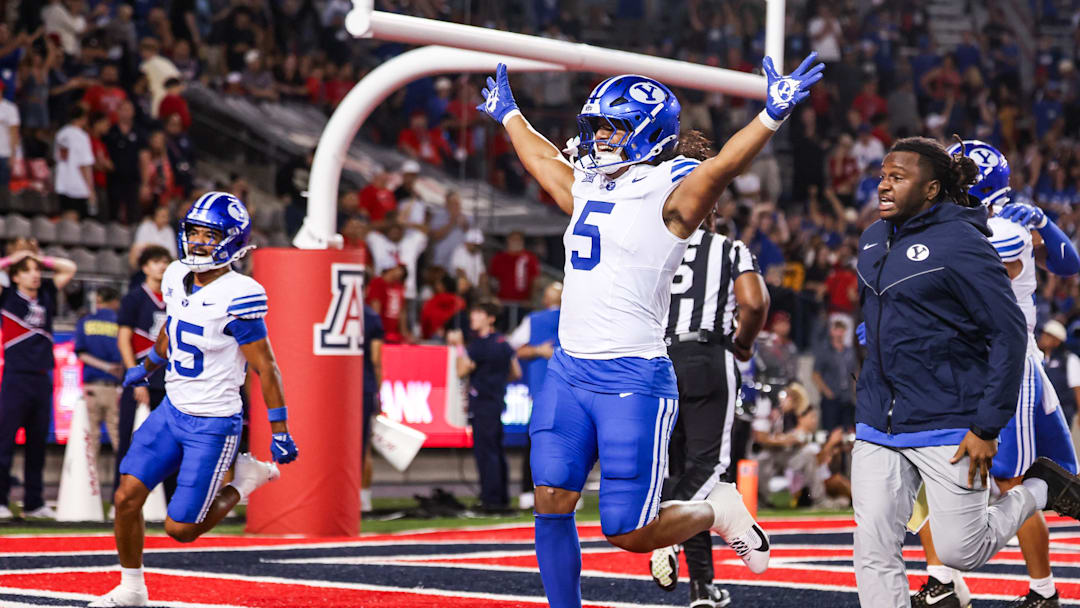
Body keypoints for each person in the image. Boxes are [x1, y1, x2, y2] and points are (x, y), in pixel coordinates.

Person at [476, 52, 823, 607]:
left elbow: (722, 168)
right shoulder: (592, 182)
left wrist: (770, 117)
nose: (601, 139)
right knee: (550, 498)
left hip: (631, 378)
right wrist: (512, 116)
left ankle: (717, 509)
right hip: (568, 371)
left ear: (649, 133)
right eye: (596, 127)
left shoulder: (672, 190)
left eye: (614, 127)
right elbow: (546, 165)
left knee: (628, 531)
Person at [852, 136, 1080, 608]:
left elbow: (1008, 333)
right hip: (880, 418)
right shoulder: (874, 236)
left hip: (950, 411)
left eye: (898, 177)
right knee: (874, 545)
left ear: (933, 187)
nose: (884, 185)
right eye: (883, 176)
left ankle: (1042, 494)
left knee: (966, 547)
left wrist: (985, 425)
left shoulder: (970, 238)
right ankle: (944, 581)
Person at [90, 192, 298, 607]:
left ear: (233, 241)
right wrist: (149, 365)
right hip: (172, 410)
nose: (199, 241)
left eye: (211, 234)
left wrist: (279, 428)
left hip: (213, 422)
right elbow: (173, 326)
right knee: (126, 497)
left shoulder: (240, 294)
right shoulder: (174, 274)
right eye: (195, 232)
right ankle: (132, 588)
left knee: (180, 529)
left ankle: (246, 479)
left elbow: (267, 367)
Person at [649, 200, 769, 608]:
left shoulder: (653, 245)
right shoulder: (728, 247)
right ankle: (664, 534)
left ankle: (702, 586)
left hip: (656, 361)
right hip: (706, 355)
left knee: (684, 473)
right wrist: (744, 344)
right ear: (711, 208)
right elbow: (754, 303)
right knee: (708, 467)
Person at [0, 248, 77, 520]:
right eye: (28, 270)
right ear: (16, 277)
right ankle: (1, 500)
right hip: (15, 377)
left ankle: (34, 502)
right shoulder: (8, 296)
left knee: (37, 444)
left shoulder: (45, 294)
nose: (35, 274)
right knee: (4, 442)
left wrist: (38, 258)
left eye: (36, 270)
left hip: (42, 377)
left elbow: (69, 267)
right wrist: (15, 257)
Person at [116, 245, 174, 501]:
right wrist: (135, 376)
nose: (161, 266)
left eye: (165, 262)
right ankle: (123, 494)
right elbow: (123, 338)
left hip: (170, 379)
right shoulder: (133, 298)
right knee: (131, 436)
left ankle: (170, 497)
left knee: (172, 440)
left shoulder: (176, 298)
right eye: (155, 262)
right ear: (145, 267)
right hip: (142, 378)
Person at [453, 301, 521, 512]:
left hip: (482, 402)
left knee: (486, 452)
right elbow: (516, 372)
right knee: (497, 451)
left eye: (479, 313)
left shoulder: (479, 345)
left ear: (490, 318)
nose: (473, 317)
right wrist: (497, 382)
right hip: (496, 400)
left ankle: (490, 499)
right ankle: (501, 497)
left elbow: (461, 370)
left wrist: (457, 346)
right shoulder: (503, 342)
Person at [507, 281, 562, 510]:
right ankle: (556, 491)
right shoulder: (573, 319)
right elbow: (514, 347)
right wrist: (540, 350)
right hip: (564, 388)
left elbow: (513, 346)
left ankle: (530, 491)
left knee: (538, 440)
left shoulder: (535, 320)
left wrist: (538, 351)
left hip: (546, 389)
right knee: (561, 443)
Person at [75, 287, 124, 472]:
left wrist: (104, 367)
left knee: (90, 438)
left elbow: (81, 353)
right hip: (114, 387)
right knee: (120, 438)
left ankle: (88, 486)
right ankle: (124, 483)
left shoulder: (86, 322)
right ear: (115, 302)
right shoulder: (121, 323)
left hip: (92, 387)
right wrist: (113, 368)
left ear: (98, 301)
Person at [360, 303, 384, 513]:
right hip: (364, 385)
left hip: (336, 389)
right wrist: (378, 390)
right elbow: (376, 359)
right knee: (363, 446)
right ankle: (364, 498)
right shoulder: (371, 317)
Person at [812, 319, 856, 432]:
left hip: (847, 398)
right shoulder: (824, 351)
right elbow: (816, 374)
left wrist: (854, 390)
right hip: (831, 400)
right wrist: (827, 392)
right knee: (830, 432)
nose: (839, 333)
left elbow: (855, 371)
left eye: (842, 330)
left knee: (848, 432)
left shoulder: (850, 352)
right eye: (837, 329)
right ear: (832, 331)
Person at [54, 104, 95, 217]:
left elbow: (57, 157)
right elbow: (84, 164)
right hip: (77, 184)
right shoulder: (81, 136)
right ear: (83, 118)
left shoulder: (61, 134)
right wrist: (90, 189)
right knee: (75, 218)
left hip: (62, 181)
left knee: (66, 214)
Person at [1039, 320, 1080, 428]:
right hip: (1041, 411)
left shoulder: (1070, 359)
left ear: (1057, 341)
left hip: (1063, 411)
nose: (1043, 337)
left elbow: (1077, 388)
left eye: (1048, 335)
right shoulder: (1037, 358)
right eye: (1043, 333)